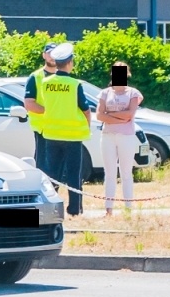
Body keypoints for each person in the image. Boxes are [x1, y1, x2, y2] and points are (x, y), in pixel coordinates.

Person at [25, 42, 89, 217]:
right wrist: (86, 126)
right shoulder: (73, 83)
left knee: (51, 173)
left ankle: (49, 208)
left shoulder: (45, 82)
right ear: (70, 63)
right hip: (65, 134)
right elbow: (85, 109)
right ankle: (74, 209)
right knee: (71, 173)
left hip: (51, 132)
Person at [95, 61, 144, 215]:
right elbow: (99, 115)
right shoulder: (105, 93)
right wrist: (118, 118)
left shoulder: (133, 93)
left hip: (126, 136)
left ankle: (128, 208)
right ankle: (108, 209)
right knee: (109, 173)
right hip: (108, 136)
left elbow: (129, 114)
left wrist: (109, 116)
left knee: (126, 172)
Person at [22, 42, 60, 172]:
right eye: (49, 53)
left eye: (55, 54)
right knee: (44, 165)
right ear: (44, 55)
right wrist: (50, 112)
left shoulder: (63, 77)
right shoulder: (35, 77)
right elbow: (29, 103)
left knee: (58, 166)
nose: (52, 57)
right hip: (43, 129)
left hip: (62, 128)